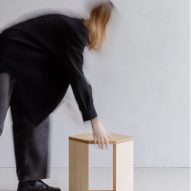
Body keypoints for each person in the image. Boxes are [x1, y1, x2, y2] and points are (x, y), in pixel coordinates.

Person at [0, 1, 114, 191]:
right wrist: (95, 120)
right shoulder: (75, 31)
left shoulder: (68, 32)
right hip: (5, 55)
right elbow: (77, 76)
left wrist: (64, 101)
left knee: (36, 111)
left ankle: (30, 183)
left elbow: (63, 73)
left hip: (24, 66)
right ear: (102, 26)